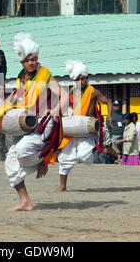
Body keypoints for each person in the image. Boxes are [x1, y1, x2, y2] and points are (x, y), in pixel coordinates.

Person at [0, 32, 68, 211]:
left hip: (43, 123)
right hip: (24, 123)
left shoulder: (44, 74)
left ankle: (42, 160)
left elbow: (65, 96)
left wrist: (54, 110)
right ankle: (25, 201)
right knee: (11, 162)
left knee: (23, 150)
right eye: (27, 60)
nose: (31, 62)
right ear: (22, 61)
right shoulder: (22, 75)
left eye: (34, 59)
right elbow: (16, 97)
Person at [55, 60, 113, 192]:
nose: (81, 82)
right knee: (64, 158)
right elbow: (64, 105)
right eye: (78, 79)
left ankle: (93, 151)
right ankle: (62, 187)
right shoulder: (71, 91)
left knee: (84, 157)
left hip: (87, 127)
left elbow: (108, 102)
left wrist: (109, 116)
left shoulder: (93, 91)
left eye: (83, 78)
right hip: (73, 127)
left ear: (87, 77)